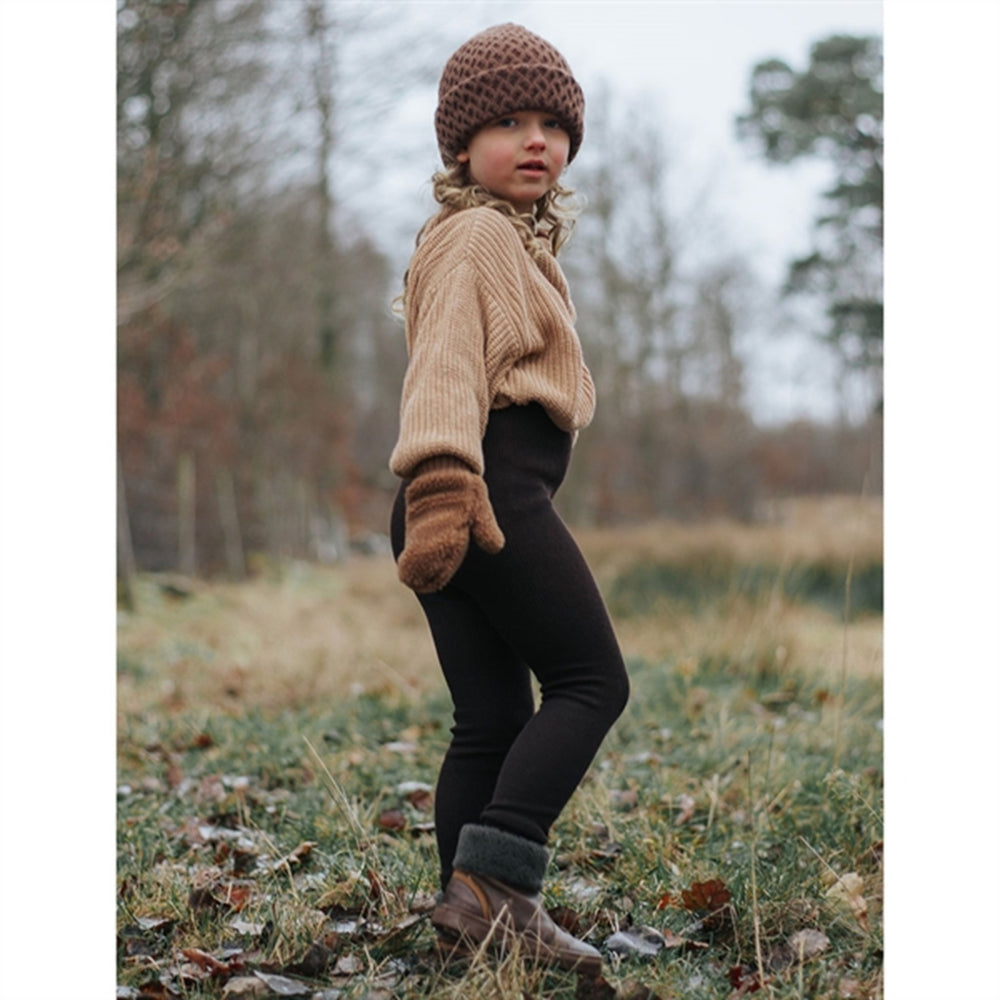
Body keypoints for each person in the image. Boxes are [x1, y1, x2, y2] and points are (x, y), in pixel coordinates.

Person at [388, 23, 630, 975]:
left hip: (458, 488)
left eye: (554, 126)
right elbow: (445, 368)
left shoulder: (503, 241)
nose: (537, 141)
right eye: (509, 124)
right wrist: (449, 482)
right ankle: (497, 879)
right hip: (480, 489)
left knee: (489, 720)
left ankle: (470, 922)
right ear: (461, 145)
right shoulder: (480, 235)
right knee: (591, 683)